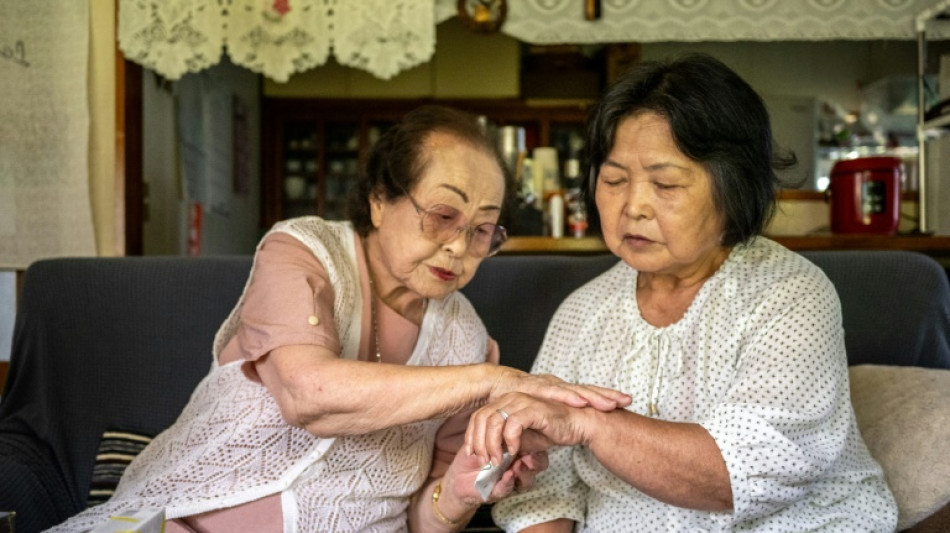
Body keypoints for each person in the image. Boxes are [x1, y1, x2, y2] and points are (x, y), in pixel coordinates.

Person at [48, 105, 630, 533]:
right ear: (380, 198)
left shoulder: (466, 337)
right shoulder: (303, 252)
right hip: (176, 523)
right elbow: (308, 393)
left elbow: (424, 519)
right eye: (442, 215)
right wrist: (495, 380)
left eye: (482, 231)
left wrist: (460, 492)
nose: (459, 249)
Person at [465, 54, 899, 532]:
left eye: (665, 183)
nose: (633, 206)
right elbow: (545, 493)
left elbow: (747, 473)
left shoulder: (790, 295)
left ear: (732, 188)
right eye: (613, 180)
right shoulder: (582, 311)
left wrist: (591, 425)